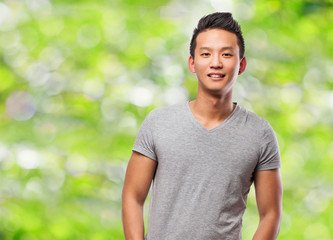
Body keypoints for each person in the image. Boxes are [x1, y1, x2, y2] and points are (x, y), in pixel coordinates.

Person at [122, 12, 282, 240]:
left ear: (241, 64)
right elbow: (132, 196)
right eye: (206, 54)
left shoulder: (260, 134)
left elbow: (271, 214)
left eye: (226, 54)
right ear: (192, 63)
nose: (216, 63)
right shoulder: (158, 122)